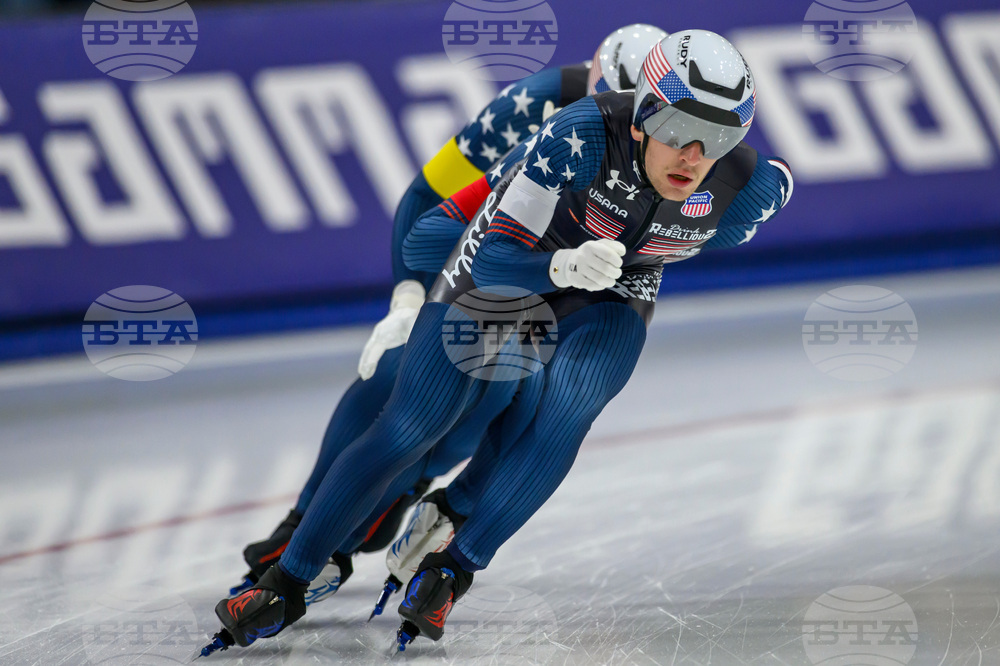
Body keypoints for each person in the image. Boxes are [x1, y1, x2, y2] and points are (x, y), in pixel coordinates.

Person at [206, 29, 793, 655]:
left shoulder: (750, 189)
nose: (694, 154)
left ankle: (452, 549)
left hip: (609, 284)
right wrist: (408, 295)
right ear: (633, 110)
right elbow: (434, 214)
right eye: (676, 127)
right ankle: (298, 555)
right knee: (416, 418)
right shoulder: (559, 116)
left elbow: (695, 222)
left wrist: (614, 263)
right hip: (510, 253)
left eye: (720, 137)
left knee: (557, 410)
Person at [224, 25, 669, 608]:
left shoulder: (677, 151)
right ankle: (307, 520)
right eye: (603, 99)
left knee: (521, 394)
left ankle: (425, 497)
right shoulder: (535, 105)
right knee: (401, 377)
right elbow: (423, 198)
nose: (614, 120)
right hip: (496, 245)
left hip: (569, 274)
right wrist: (407, 298)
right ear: (589, 76)